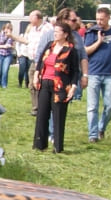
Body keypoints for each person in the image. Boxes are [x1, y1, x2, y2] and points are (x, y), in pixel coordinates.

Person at [32, 17, 81, 153]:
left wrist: (73, 87)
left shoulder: (71, 51)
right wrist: (36, 75)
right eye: (55, 31)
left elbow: (75, 71)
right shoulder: (49, 46)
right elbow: (41, 63)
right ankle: (39, 145)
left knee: (58, 116)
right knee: (42, 114)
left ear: (65, 34)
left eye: (58, 32)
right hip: (45, 83)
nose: (55, 34)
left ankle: (57, 147)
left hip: (60, 86)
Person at [83, 3, 111, 142]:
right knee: (92, 106)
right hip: (93, 72)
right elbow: (86, 51)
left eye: (102, 19)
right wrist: (99, 41)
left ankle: (102, 127)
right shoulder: (91, 32)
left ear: (108, 18)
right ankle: (93, 134)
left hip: (109, 74)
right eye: (97, 19)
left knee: (110, 105)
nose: (99, 22)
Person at [18, 10, 43, 88]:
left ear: (36, 17)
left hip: (41, 61)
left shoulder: (46, 29)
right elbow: (27, 42)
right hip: (33, 59)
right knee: (32, 85)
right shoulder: (33, 30)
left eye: (31, 17)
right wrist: (12, 36)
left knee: (36, 83)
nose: (29, 20)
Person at [0, 23, 15, 88]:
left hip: (8, 55)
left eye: (9, 29)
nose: (7, 30)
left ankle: (4, 84)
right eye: (6, 28)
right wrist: (4, 46)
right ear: (4, 28)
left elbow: (14, 46)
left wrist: (11, 46)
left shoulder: (12, 37)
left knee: (5, 70)